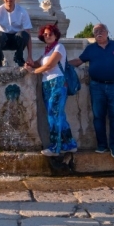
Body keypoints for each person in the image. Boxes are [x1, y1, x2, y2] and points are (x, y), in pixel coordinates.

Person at [69, 23, 114, 159]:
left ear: (107, 32)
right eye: (96, 31)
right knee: (98, 116)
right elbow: (79, 61)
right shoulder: (91, 49)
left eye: (101, 30)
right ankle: (102, 145)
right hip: (97, 86)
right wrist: (61, 64)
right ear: (93, 34)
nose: (99, 33)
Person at [25, 24, 77, 156]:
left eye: (50, 34)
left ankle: (55, 147)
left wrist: (34, 71)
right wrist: (30, 63)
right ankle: (70, 143)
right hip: (47, 83)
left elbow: (50, 65)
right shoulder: (47, 50)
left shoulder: (59, 47)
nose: (47, 36)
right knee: (59, 115)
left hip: (58, 83)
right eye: (45, 34)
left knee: (53, 114)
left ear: (56, 35)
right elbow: (40, 62)